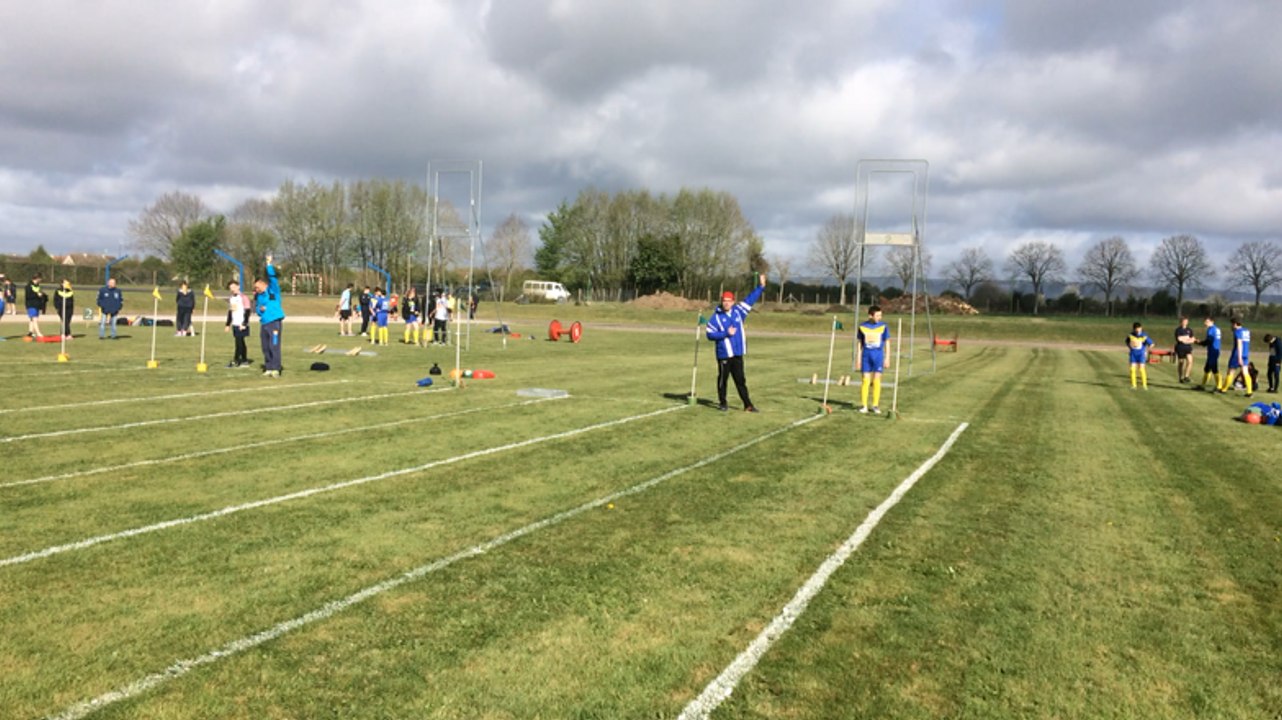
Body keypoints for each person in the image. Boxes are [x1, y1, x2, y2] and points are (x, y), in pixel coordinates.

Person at [705, 273, 766, 412]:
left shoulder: (739, 312)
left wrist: (761, 287)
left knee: (740, 380)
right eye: (724, 300)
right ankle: (723, 402)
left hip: (737, 353)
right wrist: (726, 333)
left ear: (733, 302)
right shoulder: (716, 317)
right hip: (724, 354)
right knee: (723, 379)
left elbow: (750, 300)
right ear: (722, 301)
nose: (726, 303)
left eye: (729, 300)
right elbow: (709, 334)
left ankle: (747, 404)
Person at [253, 254, 285, 377]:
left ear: (262, 284)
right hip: (264, 323)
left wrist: (269, 264)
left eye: (257, 286)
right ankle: (269, 367)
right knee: (265, 346)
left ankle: (276, 368)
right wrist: (260, 310)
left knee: (274, 345)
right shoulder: (259, 296)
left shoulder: (273, 290)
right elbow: (257, 309)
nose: (256, 289)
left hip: (275, 322)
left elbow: (272, 278)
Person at [857, 305, 892, 412]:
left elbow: (887, 342)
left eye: (880, 315)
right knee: (865, 380)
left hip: (878, 356)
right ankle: (864, 406)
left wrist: (887, 358)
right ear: (870, 315)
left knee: (877, 380)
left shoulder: (883, 326)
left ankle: (875, 405)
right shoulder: (862, 326)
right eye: (877, 315)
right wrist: (858, 358)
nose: (879, 317)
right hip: (866, 356)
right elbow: (859, 344)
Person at [1220, 317, 1252, 396]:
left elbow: (1239, 344)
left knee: (1231, 372)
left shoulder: (1237, 332)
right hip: (1245, 354)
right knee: (1245, 372)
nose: (1231, 326)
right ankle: (1249, 392)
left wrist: (1239, 357)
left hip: (1237, 355)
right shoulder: (1246, 331)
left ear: (1235, 324)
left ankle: (1224, 389)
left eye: (1231, 324)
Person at [224, 279, 251, 367]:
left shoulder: (243, 297)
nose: (232, 289)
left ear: (238, 286)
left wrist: (244, 323)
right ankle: (244, 360)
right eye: (231, 288)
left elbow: (247, 311)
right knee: (241, 342)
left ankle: (236, 360)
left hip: (241, 324)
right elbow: (231, 312)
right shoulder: (231, 298)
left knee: (238, 342)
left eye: (234, 287)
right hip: (235, 323)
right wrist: (228, 324)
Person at [1196, 316, 1221, 392]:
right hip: (1214, 350)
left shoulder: (1211, 330)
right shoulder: (1217, 329)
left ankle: (1219, 387)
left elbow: (1209, 341)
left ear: (1212, 321)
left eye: (1207, 321)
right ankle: (1202, 385)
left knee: (1214, 369)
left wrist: (1199, 342)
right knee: (1207, 369)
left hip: (1212, 351)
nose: (1205, 323)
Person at [1126, 321, 1153, 390]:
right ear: (1134, 329)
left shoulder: (1144, 336)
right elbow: (1127, 342)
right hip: (1133, 354)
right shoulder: (1131, 335)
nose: (1138, 330)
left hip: (1141, 354)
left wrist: (1146, 351)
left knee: (1141, 369)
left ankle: (1144, 385)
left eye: (1139, 328)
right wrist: (1130, 348)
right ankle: (1134, 385)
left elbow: (1152, 344)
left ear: (1141, 328)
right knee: (1132, 369)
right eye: (1136, 329)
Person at [1174, 316, 1195, 384]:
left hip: (1188, 348)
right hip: (1180, 348)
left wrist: (1186, 340)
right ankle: (1180, 377)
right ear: (1181, 322)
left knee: (1190, 361)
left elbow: (1192, 339)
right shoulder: (1178, 330)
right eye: (1184, 321)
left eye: (1186, 321)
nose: (1185, 323)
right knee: (1181, 363)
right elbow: (1179, 339)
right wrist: (1186, 339)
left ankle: (1186, 376)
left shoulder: (1189, 330)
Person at [24, 274, 46, 338]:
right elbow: (28, 296)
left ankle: (30, 332)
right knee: (34, 319)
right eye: (40, 278)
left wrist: (42, 295)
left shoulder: (38, 286)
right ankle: (38, 333)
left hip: (37, 304)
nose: (41, 280)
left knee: (32, 319)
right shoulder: (28, 286)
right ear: (37, 278)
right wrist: (37, 295)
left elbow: (39, 293)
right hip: (31, 305)